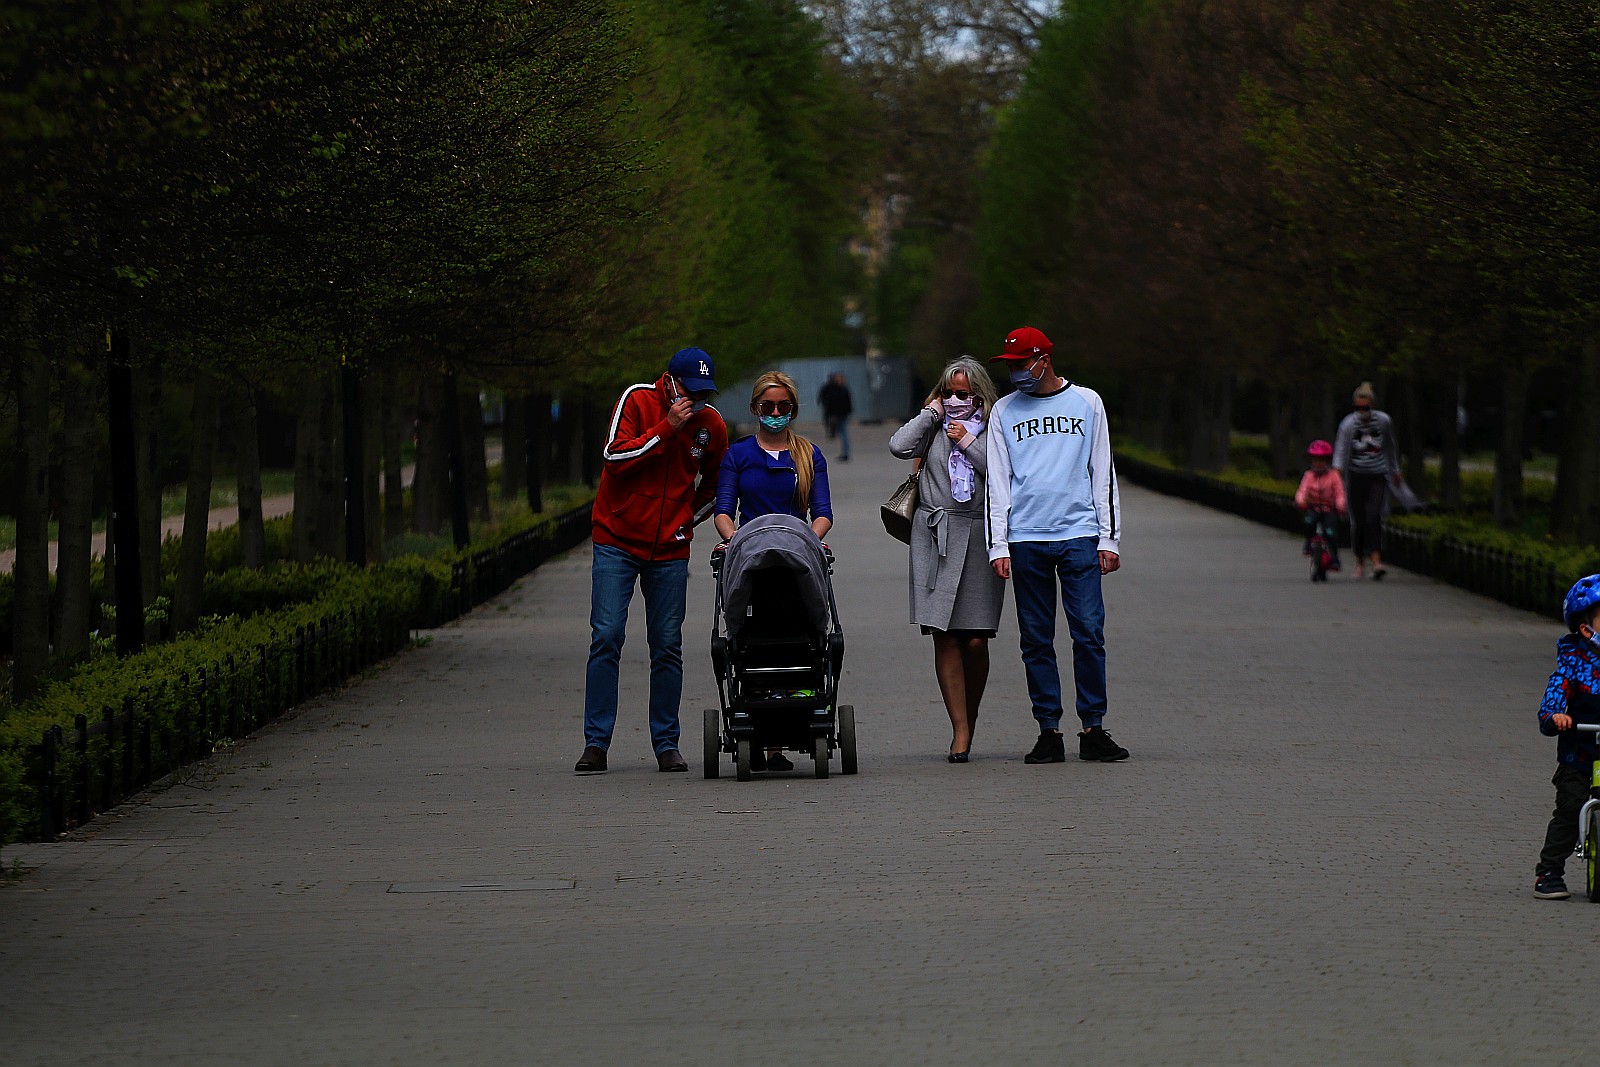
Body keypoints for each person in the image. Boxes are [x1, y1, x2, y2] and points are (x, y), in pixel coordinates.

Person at [575, 347, 728, 775]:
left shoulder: (711, 425)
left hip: (669, 550)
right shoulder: (637, 400)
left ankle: (666, 744)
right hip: (617, 541)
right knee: (607, 636)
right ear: (670, 382)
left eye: (703, 394)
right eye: (689, 392)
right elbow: (615, 458)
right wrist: (666, 428)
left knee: (667, 645)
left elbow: (716, 485)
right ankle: (596, 742)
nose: (695, 401)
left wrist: (684, 520)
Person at [985, 326, 1129, 764]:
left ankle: (1093, 728)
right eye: (1010, 366)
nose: (1015, 373)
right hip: (1025, 537)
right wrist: (998, 544)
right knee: (1035, 639)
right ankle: (1048, 729)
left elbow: (1102, 469)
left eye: (1020, 364)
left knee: (1088, 632)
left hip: (1078, 535)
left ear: (1044, 360)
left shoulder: (1087, 402)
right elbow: (997, 480)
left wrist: (1109, 537)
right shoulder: (1003, 410)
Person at [889, 357, 1007, 763]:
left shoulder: (993, 427)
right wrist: (931, 413)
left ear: (980, 395)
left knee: (975, 638)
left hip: (978, 537)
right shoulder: (934, 425)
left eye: (965, 394)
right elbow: (898, 446)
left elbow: (1002, 473)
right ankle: (960, 730)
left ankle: (969, 718)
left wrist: (967, 441)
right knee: (945, 635)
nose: (957, 400)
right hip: (934, 537)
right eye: (950, 392)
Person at [716, 371, 834, 771]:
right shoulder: (738, 455)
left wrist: (809, 540)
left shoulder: (809, 455)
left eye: (784, 406)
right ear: (755, 408)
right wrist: (734, 540)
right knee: (751, 636)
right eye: (768, 406)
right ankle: (757, 720)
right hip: (751, 557)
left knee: (799, 632)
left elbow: (822, 513)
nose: (776, 412)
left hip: (795, 556)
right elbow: (724, 511)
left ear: (793, 409)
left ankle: (785, 727)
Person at [1531, 575, 1600, 899]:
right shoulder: (1572, 665)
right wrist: (1555, 715)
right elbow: (1555, 695)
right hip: (1579, 756)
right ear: (1586, 629)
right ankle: (1549, 872)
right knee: (1571, 807)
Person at [1332, 382, 1402, 580]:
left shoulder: (1384, 421)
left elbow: (1390, 446)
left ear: (1373, 406)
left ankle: (1377, 561)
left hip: (1377, 475)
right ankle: (1359, 561)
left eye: (1366, 408)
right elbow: (1340, 449)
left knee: (1374, 516)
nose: (1362, 412)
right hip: (1356, 475)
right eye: (1358, 408)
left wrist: (1395, 470)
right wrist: (1337, 472)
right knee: (1358, 520)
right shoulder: (1348, 424)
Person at [1295, 439, 1346, 570]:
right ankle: (1308, 542)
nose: (1318, 464)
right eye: (1316, 460)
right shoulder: (1309, 475)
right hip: (1314, 508)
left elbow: (1339, 492)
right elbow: (1302, 490)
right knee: (1308, 522)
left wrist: (1340, 505)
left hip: (1329, 509)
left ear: (1327, 461)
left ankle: (1335, 558)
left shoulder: (1333, 476)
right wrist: (1301, 500)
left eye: (1321, 460)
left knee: (1330, 532)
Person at [818, 372, 853, 461]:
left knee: (843, 432)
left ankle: (845, 452)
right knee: (841, 431)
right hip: (838, 413)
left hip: (841, 414)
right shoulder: (837, 389)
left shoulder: (841, 389)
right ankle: (845, 452)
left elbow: (843, 403)